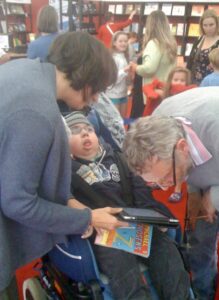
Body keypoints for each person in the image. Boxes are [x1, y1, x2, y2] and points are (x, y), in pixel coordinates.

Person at [0, 31, 128, 299]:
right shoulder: (36, 110)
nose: (95, 100)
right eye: (98, 89)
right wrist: (88, 217)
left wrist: (68, 200)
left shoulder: (25, 71)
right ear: (85, 75)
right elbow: (17, 202)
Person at [54, 111, 192, 300]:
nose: (85, 133)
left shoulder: (121, 160)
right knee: (122, 263)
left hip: (132, 224)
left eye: (89, 129)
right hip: (99, 233)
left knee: (166, 250)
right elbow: (63, 199)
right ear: (64, 142)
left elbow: (145, 199)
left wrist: (159, 218)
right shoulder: (65, 170)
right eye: (76, 131)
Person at [123, 87, 219, 300]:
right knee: (199, 240)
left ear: (182, 147)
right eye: (155, 183)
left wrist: (213, 196)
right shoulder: (160, 121)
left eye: (167, 177)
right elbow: (185, 159)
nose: (166, 188)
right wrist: (193, 191)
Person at [130, 10, 177, 112]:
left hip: (150, 90)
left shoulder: (154, 43)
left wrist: (135, 67)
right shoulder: (171, 44)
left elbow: (149, 68)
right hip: (164, 89)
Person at [187, 9, 219, 85]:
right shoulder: (199, 39)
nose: (208, 28)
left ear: (217, 24)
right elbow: (190, 61)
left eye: (211, 25)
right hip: (194, 81)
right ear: (201, 26)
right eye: (205, 25)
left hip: (212, 83)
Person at [106, 31, 131, 118]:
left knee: (122, 120)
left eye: (125, 41)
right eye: (120, 41)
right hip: (113, 94)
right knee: (115, 122)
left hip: (123, 93)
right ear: (114, 43)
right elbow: (111, 79)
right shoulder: (112, 58)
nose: (123, 43)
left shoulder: (124, 56)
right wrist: (124, 70)